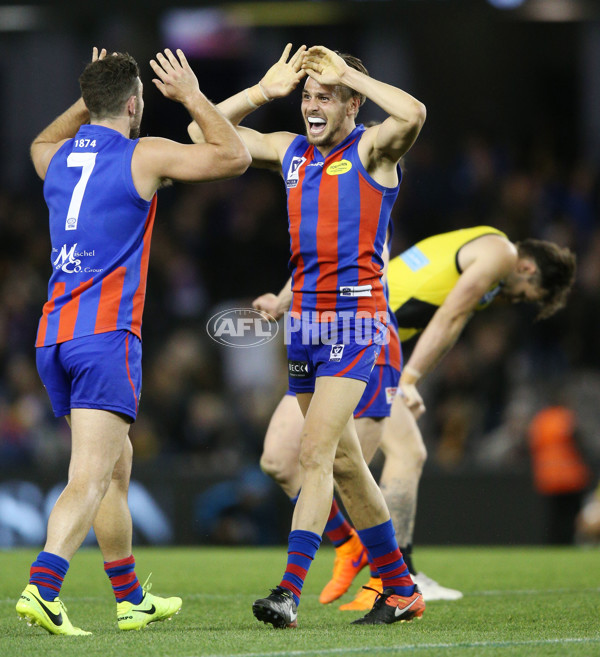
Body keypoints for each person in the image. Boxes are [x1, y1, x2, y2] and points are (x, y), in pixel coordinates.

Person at [16, 47, 250, 636]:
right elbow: (234, 156)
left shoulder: (59, 157)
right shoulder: (142, 154)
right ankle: (44, 587)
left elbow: (37, 144)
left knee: (116, 471)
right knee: (91, 476)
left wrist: (89, 97)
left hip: (55, 339)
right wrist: (192, 95)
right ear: (133, 102)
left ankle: (129, 598)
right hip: (104, 336)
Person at [190, 43, 426, 627]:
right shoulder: (289, 152)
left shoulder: (372, 150)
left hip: (357, 323)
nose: (311, 106)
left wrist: (349, 75)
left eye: (325, 97)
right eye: (306, 96)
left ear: (351, 104)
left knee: (314, 453)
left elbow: (414, 113)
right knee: (346, 465)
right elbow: (204, 141)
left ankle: (288, 591)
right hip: (305, 327)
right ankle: (400, 588)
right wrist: (260, 93)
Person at [254, 225, 576, 610]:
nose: (512, 299)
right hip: (368, 330)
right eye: (524, 295)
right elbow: (452, 317)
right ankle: (382, 568)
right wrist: (409, 377)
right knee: (324, 464)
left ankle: (390, 573)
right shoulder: (501, 254)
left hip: (340, 324)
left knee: (400, 453)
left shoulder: (478, 238)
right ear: (526, 268)